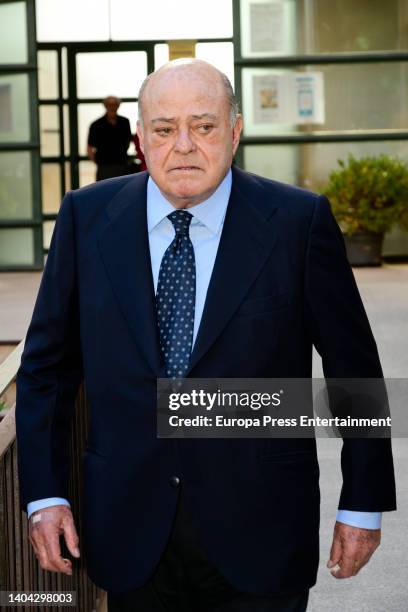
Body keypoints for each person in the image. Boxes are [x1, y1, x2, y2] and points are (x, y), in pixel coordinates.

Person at [16, 59, 396, 612]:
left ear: (235, 132)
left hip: (262, 531)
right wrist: (45, 495)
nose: (185, 145)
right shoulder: (86, 219)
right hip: (128, 530)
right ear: (141, 138)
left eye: (205, 125)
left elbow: (353, 372)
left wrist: (362, 502)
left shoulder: (298, 222)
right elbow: (46, 371)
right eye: (165, 129)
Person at [87, 96, 132, 181]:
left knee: (123, 192)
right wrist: (98, 163)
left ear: (118, 106)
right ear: (105, 106)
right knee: (104, 192)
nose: (112, 107)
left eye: (114, 104)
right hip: (104, 167)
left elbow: (128, 141)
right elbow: (89, 148)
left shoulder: (125, 122)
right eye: (109, 105)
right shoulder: (96, 125)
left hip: (122, 165)